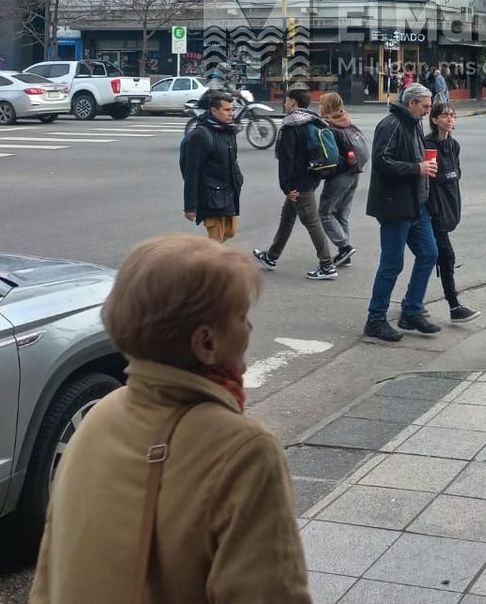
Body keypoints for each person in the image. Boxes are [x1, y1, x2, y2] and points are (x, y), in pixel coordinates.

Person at [28, 236, 310, 603]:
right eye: (242, 317)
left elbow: (51, 571)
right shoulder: (243, 451)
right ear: (206, 343)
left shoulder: (99, 416)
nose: (249, 330)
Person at [363, 83, 440, 341]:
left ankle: (412, 310)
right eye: (425, 106)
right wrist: (416, 169)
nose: (428, 111)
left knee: (429, 253)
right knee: (392, 263)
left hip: (416, 204)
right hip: (395, 205)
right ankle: (375, 318)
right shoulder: (392, 124)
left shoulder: (413, 124)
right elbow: (382, 162)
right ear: (412, 103)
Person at [251, 88, 337, 281]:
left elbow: (286, 159)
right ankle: (271, 256)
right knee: (287, 217)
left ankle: (327, 265)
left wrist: (286, 187)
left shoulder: (291, 125)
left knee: (312, 221)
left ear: (294, 103)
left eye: (288, 100)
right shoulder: (312, 120)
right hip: (311, 176)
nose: (285, 103)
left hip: (298, 183)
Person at [426, 101, 478, 322]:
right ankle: (454, 306)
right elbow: (429, 181)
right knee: (445, 256)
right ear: (434, 119)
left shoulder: (454, 146)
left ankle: (413, 301)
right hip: (432, 212)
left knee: (427, 258)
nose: (449, 119)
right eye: (445, 115)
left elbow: (455, 176)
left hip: (449, 208)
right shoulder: (428, 145)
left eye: (452, 115)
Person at [182, 89, 243, 242]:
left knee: (230, 232)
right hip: (210, 196)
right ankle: (201, 264)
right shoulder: (201, 135)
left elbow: (232, 161)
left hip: (228, 192)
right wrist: (190, 206)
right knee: (215, 240)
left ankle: (200, 259)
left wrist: (238, 179)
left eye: (232, 109)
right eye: (227, 110)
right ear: (214, 110)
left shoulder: (228, 131)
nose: (231, 113)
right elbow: (191, 172)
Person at [316, 92, 366, 268]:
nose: (319, 106)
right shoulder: (346, 121)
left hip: (340, 175)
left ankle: (344, 247)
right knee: (342, 213)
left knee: (325, 212)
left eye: (321, 104)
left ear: (327, 107)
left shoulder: (331, 126)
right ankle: (345, 254)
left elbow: (333, 157)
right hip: (354, 173)